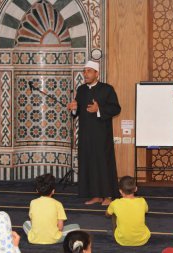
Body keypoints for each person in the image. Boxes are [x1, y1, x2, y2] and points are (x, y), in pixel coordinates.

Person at [67, 60, 121, 206]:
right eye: (84, 71)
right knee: (89, 163)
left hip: (102, 135)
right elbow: (77, 111)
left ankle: (108, 196)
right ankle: (95, 195)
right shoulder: (82, 89)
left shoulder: (107, 89)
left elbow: (116, 108)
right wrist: (73, 108)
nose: (86, 74)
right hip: (85, 135)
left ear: (97, 73)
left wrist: (99, 110)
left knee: (104, 164)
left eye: (89, 71)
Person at [23, 173, 80, 244]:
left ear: (37, 190)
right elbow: (60, 228)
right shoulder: (58, 204)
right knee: (76, 227)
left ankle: (38, 236)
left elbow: (32, 222)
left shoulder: (33, 202)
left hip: (34, 239)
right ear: (53, 191)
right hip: (54, 239)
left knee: (25, 224)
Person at [106, 176, 150, 246]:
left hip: (121, 240)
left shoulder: (115, 203)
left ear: (120, 191)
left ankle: (116, 232)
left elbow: (107, 214)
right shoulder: (142, 201)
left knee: (113, 213)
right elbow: (146, 211)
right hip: (142, 239)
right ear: (136, 189)